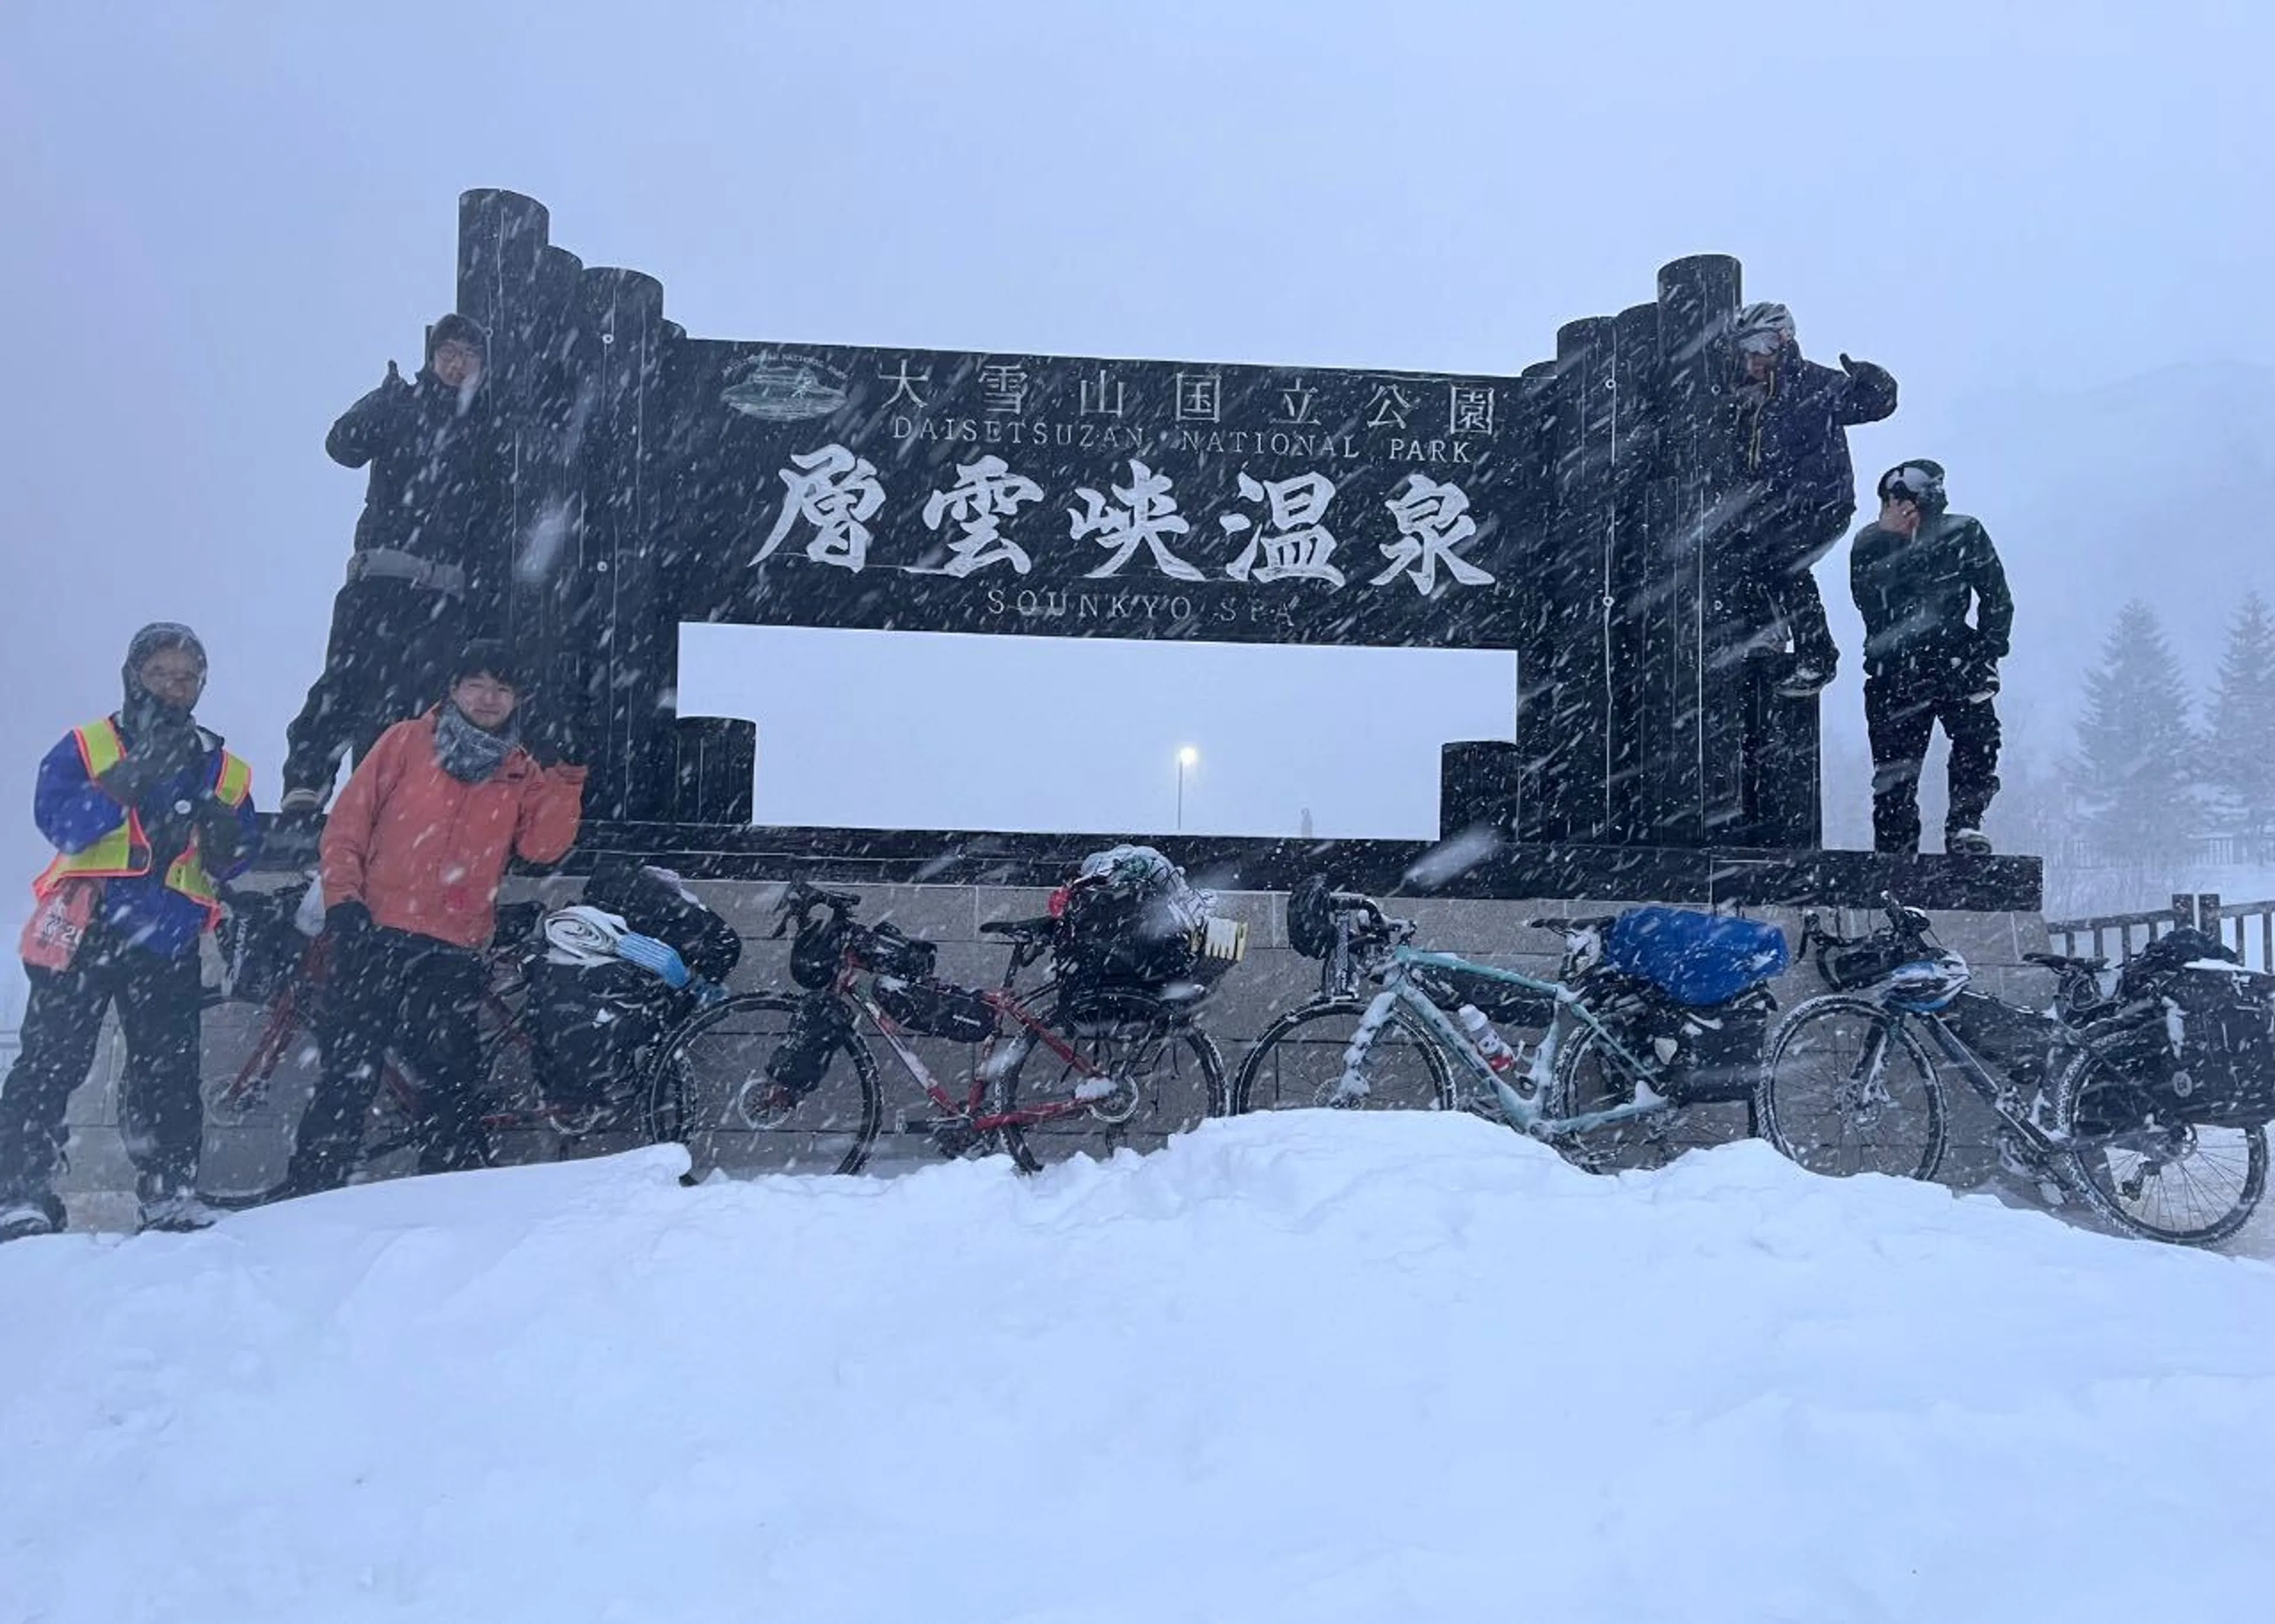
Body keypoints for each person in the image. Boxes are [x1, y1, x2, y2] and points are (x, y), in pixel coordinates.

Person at [271, 640, 586, 1196]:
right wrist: (344, 902)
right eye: (478, 685)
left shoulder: (519, 770)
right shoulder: (404, 742)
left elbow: (543, 846)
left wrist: (567, 776)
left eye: (503, 689)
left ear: (518, 700)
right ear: (453, 690)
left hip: (454, 947)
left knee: (450, 1086)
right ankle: (310, 1198)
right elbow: (348, 827)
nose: (489, 699)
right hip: (376, 935)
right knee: (348, 1076)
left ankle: (444, 1207)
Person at [0, 624, 260, 1241]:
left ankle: (171, 1192)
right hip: (85, 931)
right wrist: (126, 779)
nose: (176, 687)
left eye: (188, 676)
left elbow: (241, 854)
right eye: (161, 674)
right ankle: (18, 1194)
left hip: (166, 939)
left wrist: (229, 843)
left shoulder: (222, 767)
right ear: (134, 677)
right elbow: (61, 825)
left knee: (169, 1075)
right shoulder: (90, 746)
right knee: (51, 1064)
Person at [280, 313, 505, 820]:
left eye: (468, 355)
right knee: (346, 682)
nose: (456, 363)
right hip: (379, 579)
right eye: (448, 352)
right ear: (432, 357)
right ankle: (308, 787)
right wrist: (379, 402)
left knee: (422, 703)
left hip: (442, 593)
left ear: (481, 367)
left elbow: (493, 520)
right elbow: (342, 447)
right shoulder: (400, 404)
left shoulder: (486, 428)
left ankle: (398, 801)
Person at [1723, 301, 1899, 697]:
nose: (1754, 356)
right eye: (1746, 347)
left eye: (1764, 344)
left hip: (1822, 501)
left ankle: (1817, 656)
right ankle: (1765, 636)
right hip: (1775, 509)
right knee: (1745, 557)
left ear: (1785, 341)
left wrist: (1874, 380)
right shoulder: (1746, 401)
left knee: (1786, 563)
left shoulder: (1812, 384)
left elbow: (1876, 404)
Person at [1848, 460, 2014, 855]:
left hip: (1953, 662)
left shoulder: (1963, 532)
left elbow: (1996, 596)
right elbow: (1870, 604)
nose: (1899, 511)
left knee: (1976, 745)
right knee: (1895, 774)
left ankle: (1964, 828)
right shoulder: (1872, 542)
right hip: (1898, 670)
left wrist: (1987, 651)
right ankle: (1897, 851)